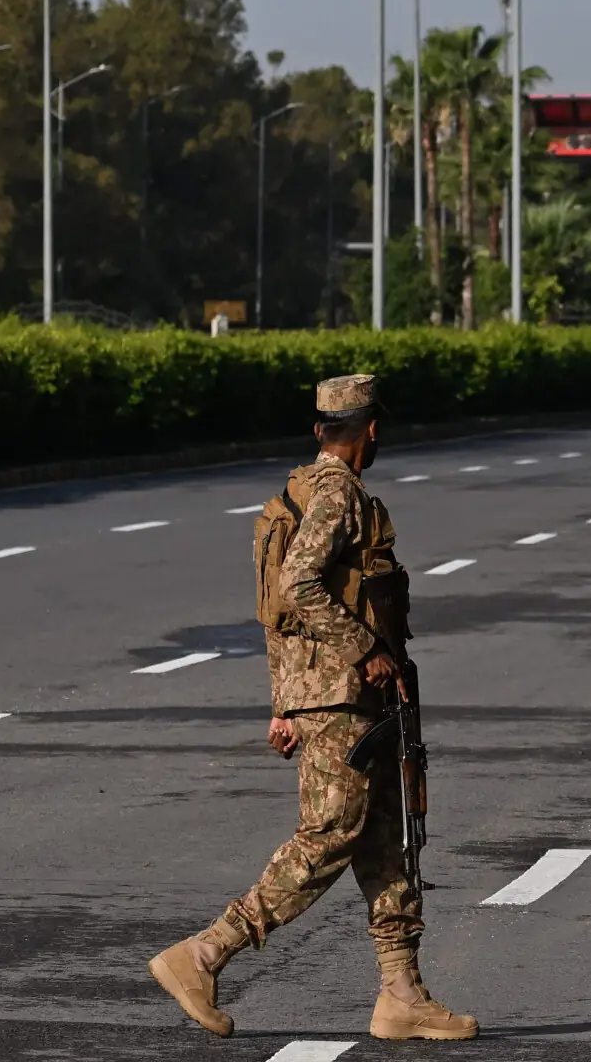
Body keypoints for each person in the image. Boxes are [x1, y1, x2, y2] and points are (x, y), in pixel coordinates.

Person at [148, 374, 477, 1042]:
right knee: (329, 835)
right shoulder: (337, 496)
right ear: (372, 430)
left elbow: (275, 611)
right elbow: (297, 587)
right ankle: (205, 953)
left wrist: (285, 703)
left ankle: (401, 994)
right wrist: (366, 652)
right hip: (344, 699)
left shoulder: (298, 491)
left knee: (387, 842)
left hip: (341, 697)